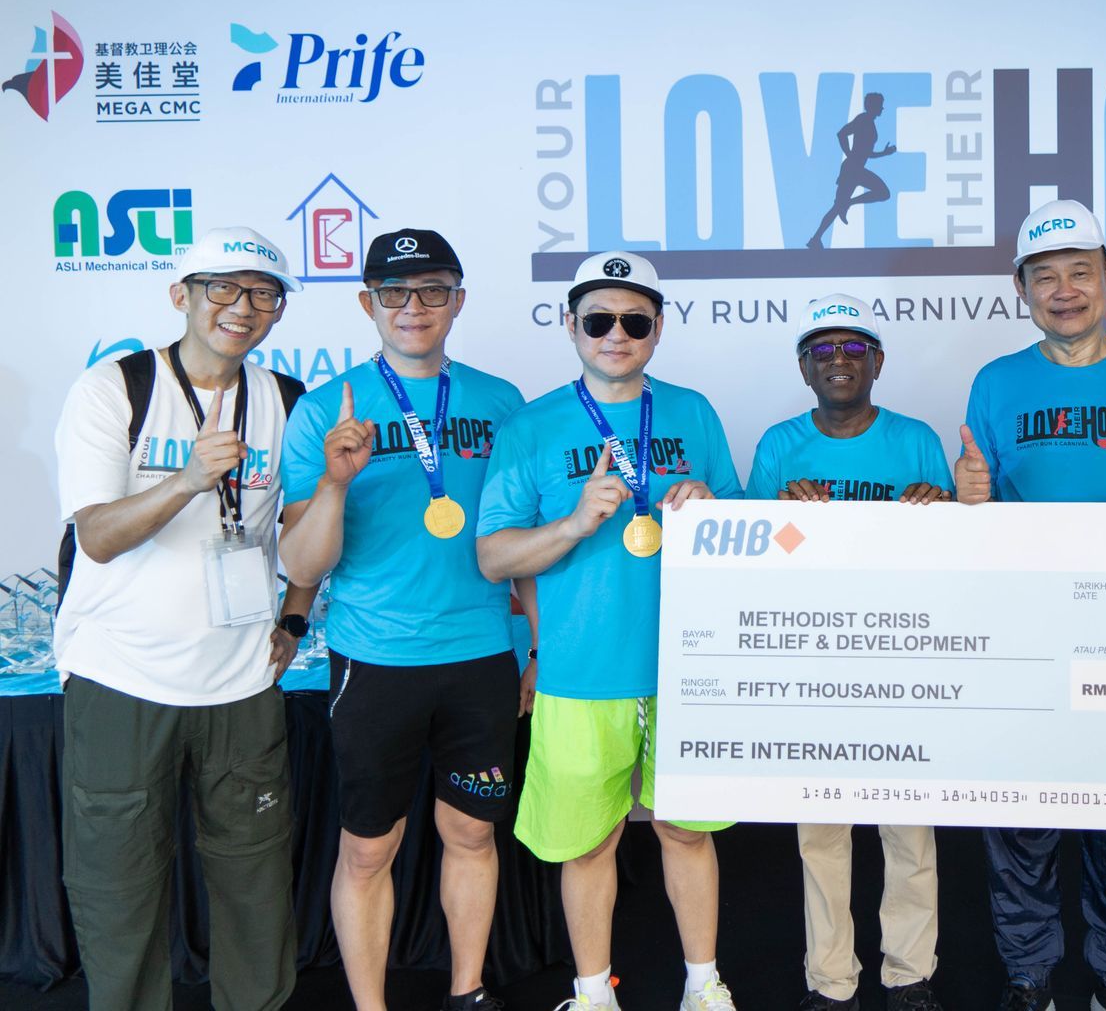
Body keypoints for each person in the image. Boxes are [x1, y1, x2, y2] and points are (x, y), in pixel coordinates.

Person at [476, 252, 743, 1011]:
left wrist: (712, 507)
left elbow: (746, 525)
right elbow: (493, 557)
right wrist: (573, 523)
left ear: (657, 328)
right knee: (589, 842)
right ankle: (593, 993)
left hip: (686, 667)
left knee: (686, 831)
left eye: (634, 320)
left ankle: (703, 985)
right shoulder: (531, 426)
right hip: (579, 672)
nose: (616, 334)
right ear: (571, 326)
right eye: (598, 320)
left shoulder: (693, 412)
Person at [954, 200, 1106, 1011]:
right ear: (1021, 289)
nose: (1064, 290)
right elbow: (977, 523)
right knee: (1019, 818)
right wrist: (970, 500)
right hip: (1022, 637)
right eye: (1045, 277)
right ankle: (1028, 974)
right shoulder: (996, 382)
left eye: (1079, 272)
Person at [53, 227, 306, 1011]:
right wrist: (188, 479)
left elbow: (305, 535)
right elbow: (97, 537)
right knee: (118, 885)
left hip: (241, 682)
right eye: (221, 288)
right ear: (181, 296)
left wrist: (296, 619)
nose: (242, 307)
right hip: (121, 678)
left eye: (262, 293)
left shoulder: (286, 400)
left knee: (256, 884)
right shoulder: (115, 388)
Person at [278, 229, 529, 1011]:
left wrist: (540, 649)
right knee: (367, 849)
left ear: (458, 299)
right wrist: (333, 483)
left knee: (473, 834)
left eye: (432, 290)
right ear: (368, 304)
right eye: (394, 292)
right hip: (374, 658)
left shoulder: (502, 403)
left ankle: (467, 990)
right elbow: (303, 565)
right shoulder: (325, 409)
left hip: (481, 653)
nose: (413, 307)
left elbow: (523, 540)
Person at [748, 293, 951, 1011]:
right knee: (822, 831)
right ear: (804, 368)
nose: (840, 360)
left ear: (878, 363)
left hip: (904, 658)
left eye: (854, 348)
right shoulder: (778, 446)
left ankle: (910, 975)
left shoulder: (917, 439)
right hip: (816, 661)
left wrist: (940, 509)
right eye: (824, 350)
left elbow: (954, 557)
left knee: (909, 828)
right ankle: (831, 981)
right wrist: (781, 516)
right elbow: (749, 560)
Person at [807, 91, 899, 248]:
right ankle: (817, 237)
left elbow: (866, 153)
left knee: (843, 204)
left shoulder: (869, 122)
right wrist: (849, 154)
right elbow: (841, 134)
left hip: (856, 169)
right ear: (873, 106)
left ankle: (818, 236)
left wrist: (884, 153)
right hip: (852, 170)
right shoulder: (863, 120)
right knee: (880, 193)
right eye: (880, 105)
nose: (882, 108)